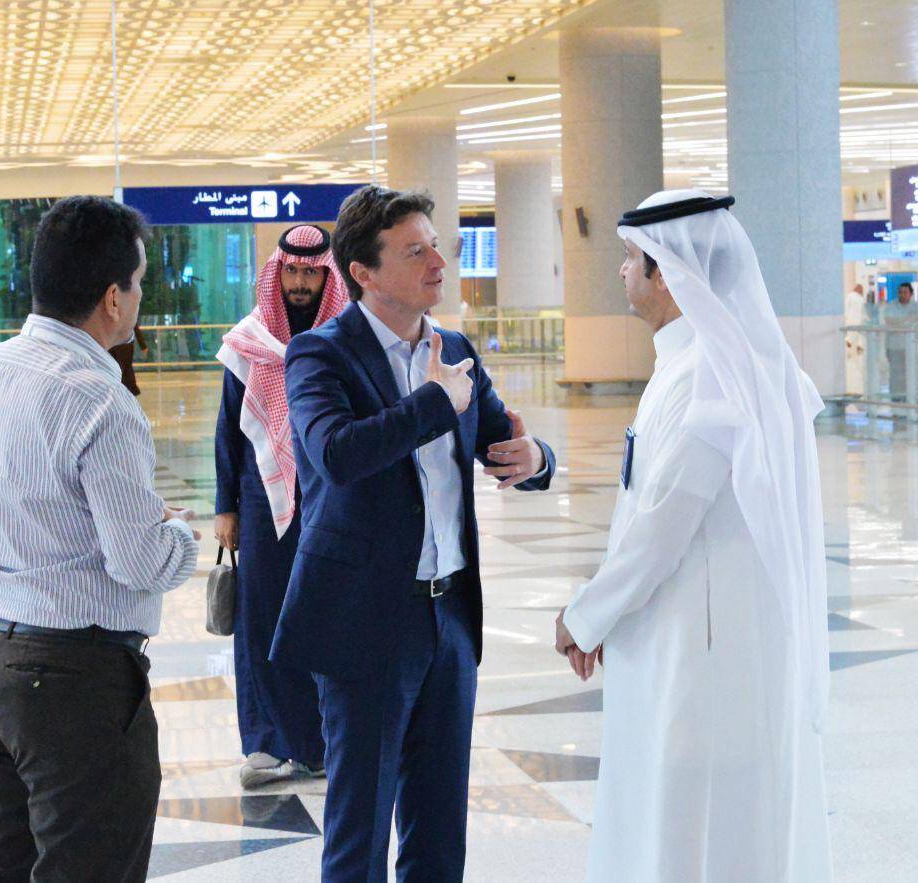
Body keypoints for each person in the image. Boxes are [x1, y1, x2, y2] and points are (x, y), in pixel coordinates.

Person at [274, 185, 556, 881]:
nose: (438, 260)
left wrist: (537, 458)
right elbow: (336, 454)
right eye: (415, 249)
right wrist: (434, 402)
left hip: (448, 617)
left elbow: (499, 440)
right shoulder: (319, 355)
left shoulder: (454, 350)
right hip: (365, 620)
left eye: (436, 243)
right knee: (359, 830)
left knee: (438, 831)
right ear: (364, 273)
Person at [555, 190, 831, 882]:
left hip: (703, 651)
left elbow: (662, 524)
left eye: (632, 260)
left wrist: (586, 616)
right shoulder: (700, 362)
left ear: (671, 274)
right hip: (699, 638)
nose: (622, 273)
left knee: (697, 817)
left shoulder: (715, 373)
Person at [0, 196, 200, 882]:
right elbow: (139, 560)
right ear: (113, 296)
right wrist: (180, 533)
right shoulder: (99, 399)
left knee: (7, 869)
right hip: (73, 683)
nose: (137, 300)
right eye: (138, 284)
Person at [214, 224, 348, 789]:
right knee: (261, 618)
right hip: (260, 500)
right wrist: (226, 507)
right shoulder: (249, 341)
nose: (299, 282)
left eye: (310, 272)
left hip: (332, 499)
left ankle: (320, 744)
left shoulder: (345, 339)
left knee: (325, 616)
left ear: (326, 275)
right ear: (278, 273)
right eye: (290, 271)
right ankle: (267, 742)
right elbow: (228, 429)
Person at [884, 281, 917, 402]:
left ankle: (912, 399)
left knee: (912, 374)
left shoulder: (916, 307)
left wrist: (901, 322)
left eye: (905, 292)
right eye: (900, 292)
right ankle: (896, 400)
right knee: (896, 376)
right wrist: (908, 320)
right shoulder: (891, 306)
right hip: (894, 347)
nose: (902, 294)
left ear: (911, 294)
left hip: (912, 348)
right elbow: (890, 321)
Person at [109, 321, 150, 396]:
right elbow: (135, 327)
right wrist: (143, 346)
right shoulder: (126, 313)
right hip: (123, 345)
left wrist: (143, 346)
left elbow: (135, 327)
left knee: (122, 368)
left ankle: (125, 391)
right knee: (125, 368)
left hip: (117, 346)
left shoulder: (110, 314)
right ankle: (129, 391)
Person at [844, 283, 865, 394]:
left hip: (851, 321)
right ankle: (855, 346)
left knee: (852, 336)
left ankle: (852, 344)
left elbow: (846, 310)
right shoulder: (857, 298)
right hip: (857, 322)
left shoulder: (852, 297)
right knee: (856, 335)